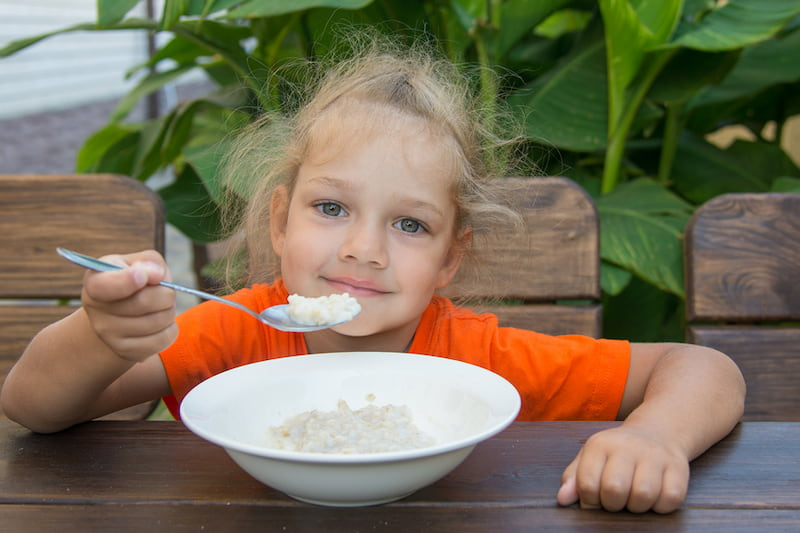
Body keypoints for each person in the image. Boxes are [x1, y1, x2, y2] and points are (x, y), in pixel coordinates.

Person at [0, 36, 744, 514]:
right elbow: (32, 405)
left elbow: (702, 367)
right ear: (281, 219)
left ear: (450, 256)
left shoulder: (479, 359)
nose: (365, 249)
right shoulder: (233, 329)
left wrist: (655, 437)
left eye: (410, 224)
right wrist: (102, 333)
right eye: (331, 207)